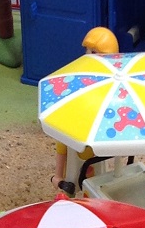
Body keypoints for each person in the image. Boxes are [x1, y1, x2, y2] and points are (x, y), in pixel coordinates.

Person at [51, 27, 119, 194]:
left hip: (97, 146)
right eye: (87, 51)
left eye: (94, 52)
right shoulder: (78, 81)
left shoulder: (114, 87)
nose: (88, 55)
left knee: (97, 186)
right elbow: (61, 141)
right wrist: (58, 176)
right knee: (72, 186)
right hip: (77, 142)